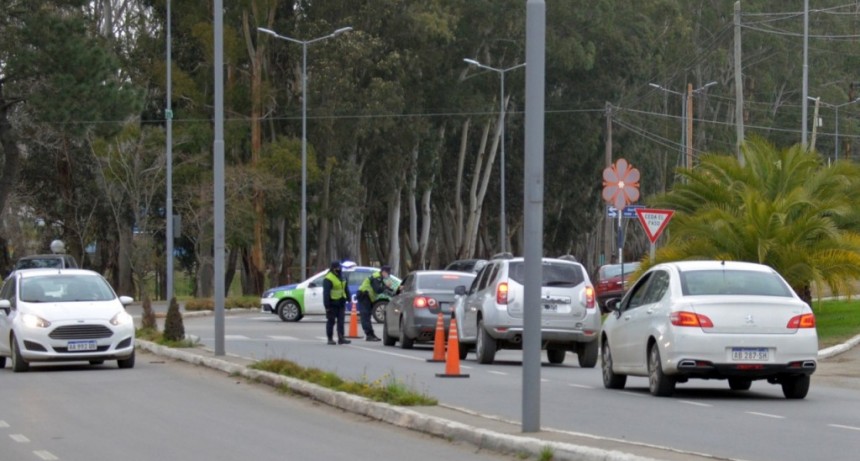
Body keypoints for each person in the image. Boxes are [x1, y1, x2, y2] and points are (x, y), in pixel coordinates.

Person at [357, 265, 393, 341]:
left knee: (367, 316)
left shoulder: (380, 278)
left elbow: (385, 290)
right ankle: (369, 335)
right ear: (383, 272)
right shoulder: (376, 277)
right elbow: (377, 289)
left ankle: (371, 334)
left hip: (368, 297)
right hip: (364, 295)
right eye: (388, 273)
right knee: (365, 316)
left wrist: (395, 292)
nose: (388, 275)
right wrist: (386, 287)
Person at [323, 260, 351, 345]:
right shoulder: (328, 278)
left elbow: (345, 288)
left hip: (341, 302)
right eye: (338, 267)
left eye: (340, 267)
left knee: (341, 321)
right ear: (334, 268)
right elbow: (326, 293)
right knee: (331, 321)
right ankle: (330, 338)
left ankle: (341, 338)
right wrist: (327, 306)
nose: (340, 269)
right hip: (332, 303)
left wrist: (348, 297)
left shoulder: (342, 276)